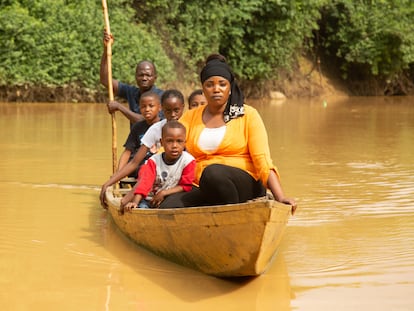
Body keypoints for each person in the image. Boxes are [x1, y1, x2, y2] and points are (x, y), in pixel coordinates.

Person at [164, 53, 297, 214]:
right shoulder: (190, 117)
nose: (216, 89)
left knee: (213, 173)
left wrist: (280, 196)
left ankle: (233, 216)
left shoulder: (248, 115)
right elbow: (168, 146)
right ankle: (212, 214)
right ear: (203, 88)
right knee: (168, 206)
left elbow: (262, 160)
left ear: (229, 88)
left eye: (222, 84)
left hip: (244, 183)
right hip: (201, 184)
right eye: (210, 84)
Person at [100, 89, 186, 208]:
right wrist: (109, 183)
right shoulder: (156, 129)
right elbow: (134, 162)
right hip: (157, 176)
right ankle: (131, 199)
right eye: (168, 110)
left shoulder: (189, 126)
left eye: (176, 110)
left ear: (183, 108)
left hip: (181, 176)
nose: (172, 115)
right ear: (162, 108)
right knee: (146, 168)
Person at [121, 120, 195, 213]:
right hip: (149, 200)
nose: (175, 146)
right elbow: (145, 183)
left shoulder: (188, 161)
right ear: (162, 142)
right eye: (169, 141)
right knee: (142, 208)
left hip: (170, 199)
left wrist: (163, 193)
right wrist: (135, 202)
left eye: (179, 141)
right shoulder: (153, 161)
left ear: (185, 142)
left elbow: (186, 186)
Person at [100, 30, 163, 125]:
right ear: (135, 77)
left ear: (155, 78)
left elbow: (144, 121)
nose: (144, 78)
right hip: (135, 139)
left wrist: (119, 107)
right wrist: (106, 50)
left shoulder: (161, 96)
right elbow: (105, 80)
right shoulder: (132, 92)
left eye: (148, 75)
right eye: (141, 75)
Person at [116, 91, 161, 178]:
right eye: (143, 106)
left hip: (156, 167)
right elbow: (127, 152)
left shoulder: (165, 126)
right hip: (137, 167)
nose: (147, 109)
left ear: (159, 107)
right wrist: (119, 173)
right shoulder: (137, 127)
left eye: (151, 106)